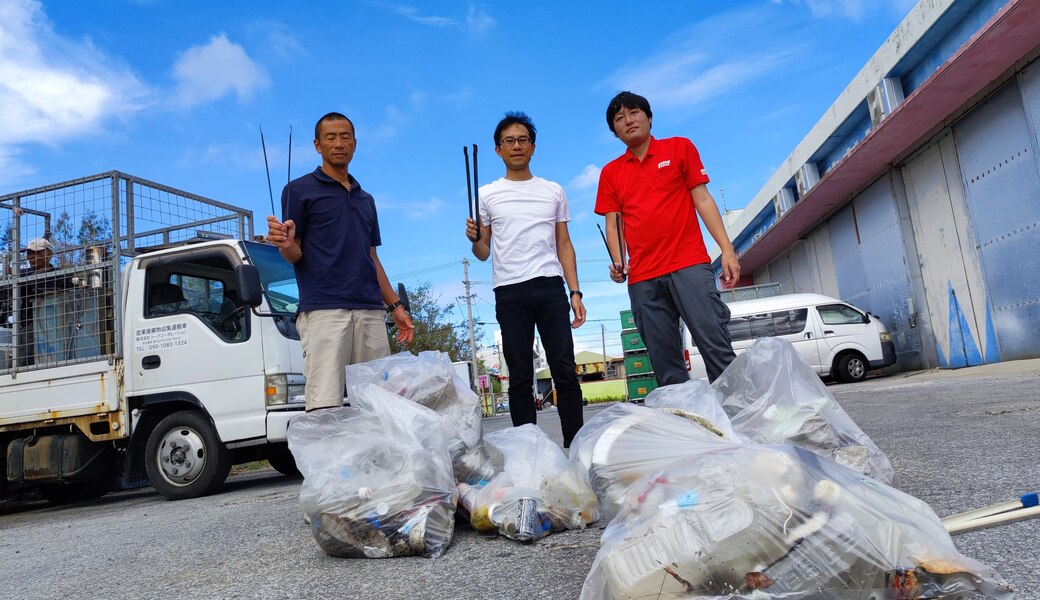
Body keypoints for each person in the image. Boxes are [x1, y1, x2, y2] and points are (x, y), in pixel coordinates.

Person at [266, 112, 415, 412]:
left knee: (379, 403)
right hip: (324, 310)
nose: (338, 143)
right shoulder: (298, 190)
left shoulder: (365, 199)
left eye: (345, 137)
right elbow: (294, 253)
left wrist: (395, 306)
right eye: (330, 137)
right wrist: (286, 243)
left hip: (371, 310)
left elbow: (371, 257)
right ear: (317, 145)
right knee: (325, 403)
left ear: (355, 144)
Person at [595, 91, 739, 384]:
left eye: (634, 113)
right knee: (666, 365)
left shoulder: (679, 148)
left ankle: (739, 411)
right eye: (619, 118)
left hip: (689, 264)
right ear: (615, 132)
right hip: (643, 277)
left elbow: (703, 199)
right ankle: (682, 414)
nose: (628, 120)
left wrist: (726, 249)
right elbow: (613, 223)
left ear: (649, 118)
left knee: (716, 347)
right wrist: (619, 263)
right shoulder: (610, 172)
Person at [465, 111, 586, 448]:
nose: (516, 145)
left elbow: (564, 244)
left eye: (522, 140)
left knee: (565, 370)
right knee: (519, 376)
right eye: (509, 141)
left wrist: (575, 291)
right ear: (498, 150)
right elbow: (483, 252)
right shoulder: (486, 194)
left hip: (550, 285)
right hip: (509, 291)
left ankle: (577, 447)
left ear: (533, 147)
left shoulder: (553, 190)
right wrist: (474, 239)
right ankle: (528, 454)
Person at [0, 238, 72, 366]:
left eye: (37, 253)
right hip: (29, 327)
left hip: (58, 327)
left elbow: (73, 296)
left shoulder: (61, 275)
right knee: (21, 365)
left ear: (50, 254)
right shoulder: (22, 276)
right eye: (29, 253)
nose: (32, 257)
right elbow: (6, 293)